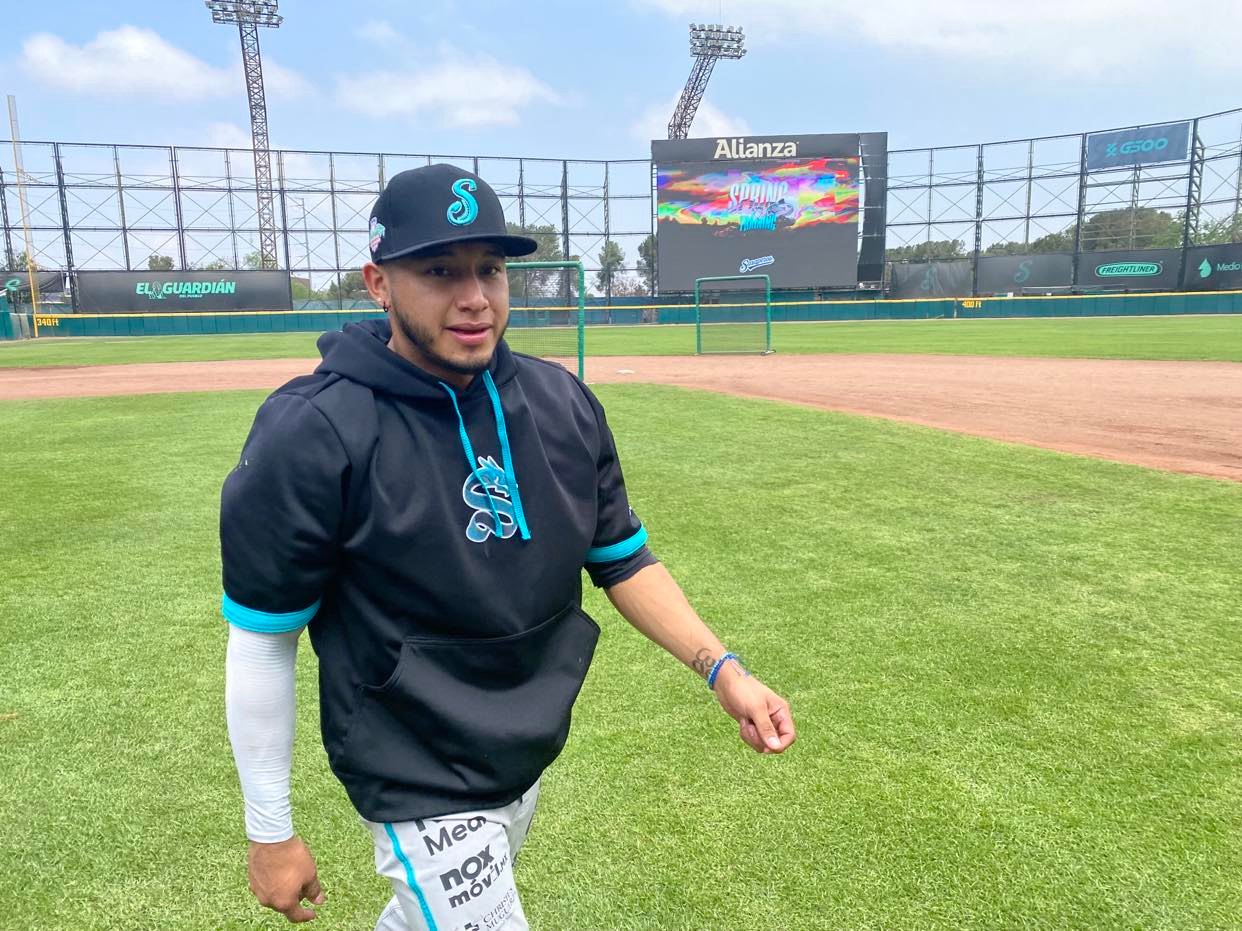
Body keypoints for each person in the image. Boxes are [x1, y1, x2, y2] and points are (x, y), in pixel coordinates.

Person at [220, 164, 796, 930]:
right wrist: (270, 829)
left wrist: (724, 669)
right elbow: (264, 637)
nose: (475, 297)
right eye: (439, 271)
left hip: (523, 749)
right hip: (415, 771)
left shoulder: (562, 403)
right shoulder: (313, 432)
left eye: (489, 268)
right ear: (378, 283)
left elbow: (622, 558)